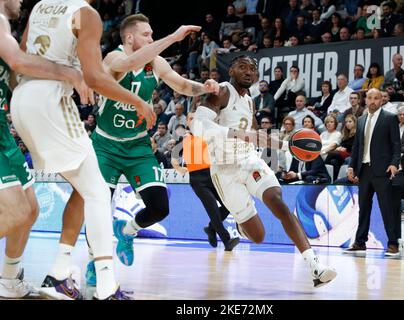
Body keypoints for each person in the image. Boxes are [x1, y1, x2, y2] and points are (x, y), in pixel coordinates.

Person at [43, 14, 220, 289]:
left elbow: (181, 85)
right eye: (146, 35)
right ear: (129, 38)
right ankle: (94, 261)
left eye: (152, 35)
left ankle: (127, 231)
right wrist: (173, 37)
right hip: (106, 146)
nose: (151, 39)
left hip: (138, 145)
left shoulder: (156, 63)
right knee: (98, 206)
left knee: (160, 207)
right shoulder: (113, 59)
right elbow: (129, 63)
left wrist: (203, 87)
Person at [11, 0, 159, 300]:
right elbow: (94, 77)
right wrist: (138, 101)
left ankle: (59, 274)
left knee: (85, 189)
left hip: (22, 100)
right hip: (51, 101)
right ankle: (105, 286)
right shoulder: (85, 14)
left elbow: (23, 54)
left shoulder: (40, 6)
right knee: (97, 193)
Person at [191, 55, 337, 287]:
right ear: (231, 70)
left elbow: (257, 136)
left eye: (252, 68)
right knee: (258, 236)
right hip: (225, 170)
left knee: (278, 202)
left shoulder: (250, 101)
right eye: (242, 67)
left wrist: (285, 145)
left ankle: (315, 266)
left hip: (249, 160)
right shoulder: (221, 92)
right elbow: (197, 126)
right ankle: (241, 222)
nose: (248, 72)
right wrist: (238, 134)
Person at [0, 0, 95, 299]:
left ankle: (9, 280)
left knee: (30, 210)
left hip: (3, 129)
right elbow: (18, 62)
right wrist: (70, 73)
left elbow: (18, 79)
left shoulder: (10, 28)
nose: (21, 2)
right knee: (15, 210)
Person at [345, 88, 401, 256]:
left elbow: (396, 145)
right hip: (364, 170)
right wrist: (351, 166)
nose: (373, 101)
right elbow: (356, 147)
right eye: (370, 98)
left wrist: (394, 164)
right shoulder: (361, 120)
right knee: (363, 208)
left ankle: (393, 244)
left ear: (381, 100)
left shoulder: (389, 118)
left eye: (377, 98)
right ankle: (360, 242)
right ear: (366, 100)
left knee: (386, 208)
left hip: (382, 170)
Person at [171, 113, 240, 251]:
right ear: (187, 122)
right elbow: (174, 158)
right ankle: (227, 241)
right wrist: (179, 168)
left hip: (213, 175)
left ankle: (210, 228)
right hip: (197, 179)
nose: (193, 121)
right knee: (213, 209)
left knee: (229, 205)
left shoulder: (208, 135)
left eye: (196, 118)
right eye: (190, 118)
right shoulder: (185, 139)